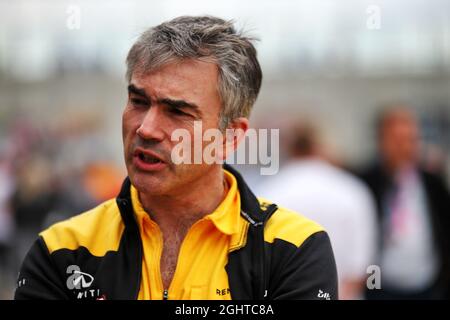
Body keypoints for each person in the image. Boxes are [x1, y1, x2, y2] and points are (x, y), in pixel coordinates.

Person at [14, 16, 337, 300]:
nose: (146, 128)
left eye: (178, 111)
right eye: (138, 101)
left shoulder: (294, 248)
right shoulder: (62, 248)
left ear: (230, 137)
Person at [256, 121, 377, 299]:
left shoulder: (268, 192)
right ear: (318, 147)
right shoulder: (353, 189)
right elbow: (361, 267)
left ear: (290, 149)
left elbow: (260, 263)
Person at [360, 106, 450, 299]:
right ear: (381, 141)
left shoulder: (432, 182)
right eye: (397, 140)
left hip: (429, 286)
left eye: (411, 139)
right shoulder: (368, 182)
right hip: (381, 287)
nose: (405, 147)